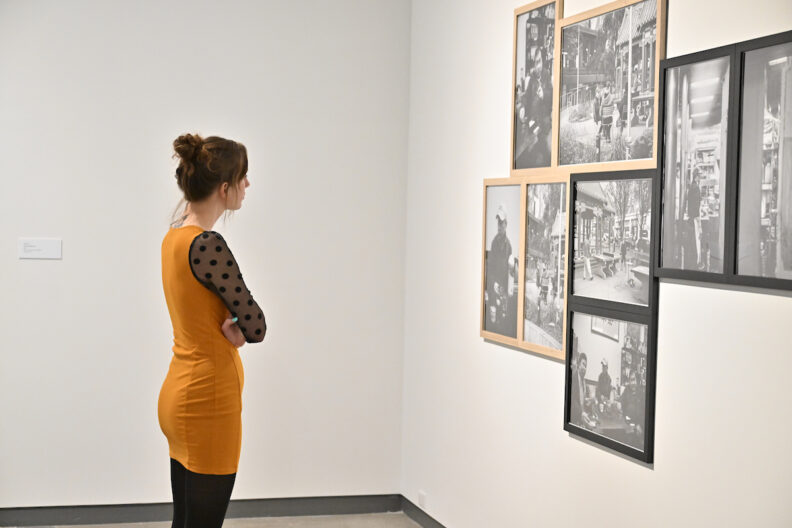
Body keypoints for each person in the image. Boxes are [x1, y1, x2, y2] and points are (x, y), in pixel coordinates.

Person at [159, 133, 267, 528]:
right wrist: (239, 327)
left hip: (179, 393)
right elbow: (256, 324)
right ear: (225, 188)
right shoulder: (207, 245)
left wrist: (235, 324)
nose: (247, 186)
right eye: (243, 178)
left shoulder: (174, 238)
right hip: (208, 403)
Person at [686, 171, 703, 269]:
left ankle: (694, 261)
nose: (699, 178)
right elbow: (696, 204)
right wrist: (698, 218)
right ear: (696, 177)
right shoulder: (696, 188)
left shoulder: (691, 187)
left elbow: (690, 202)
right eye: (699, 176)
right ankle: (698, 262)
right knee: (698, 239)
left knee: (693, 239)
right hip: (695, 217)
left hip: (691, 216)